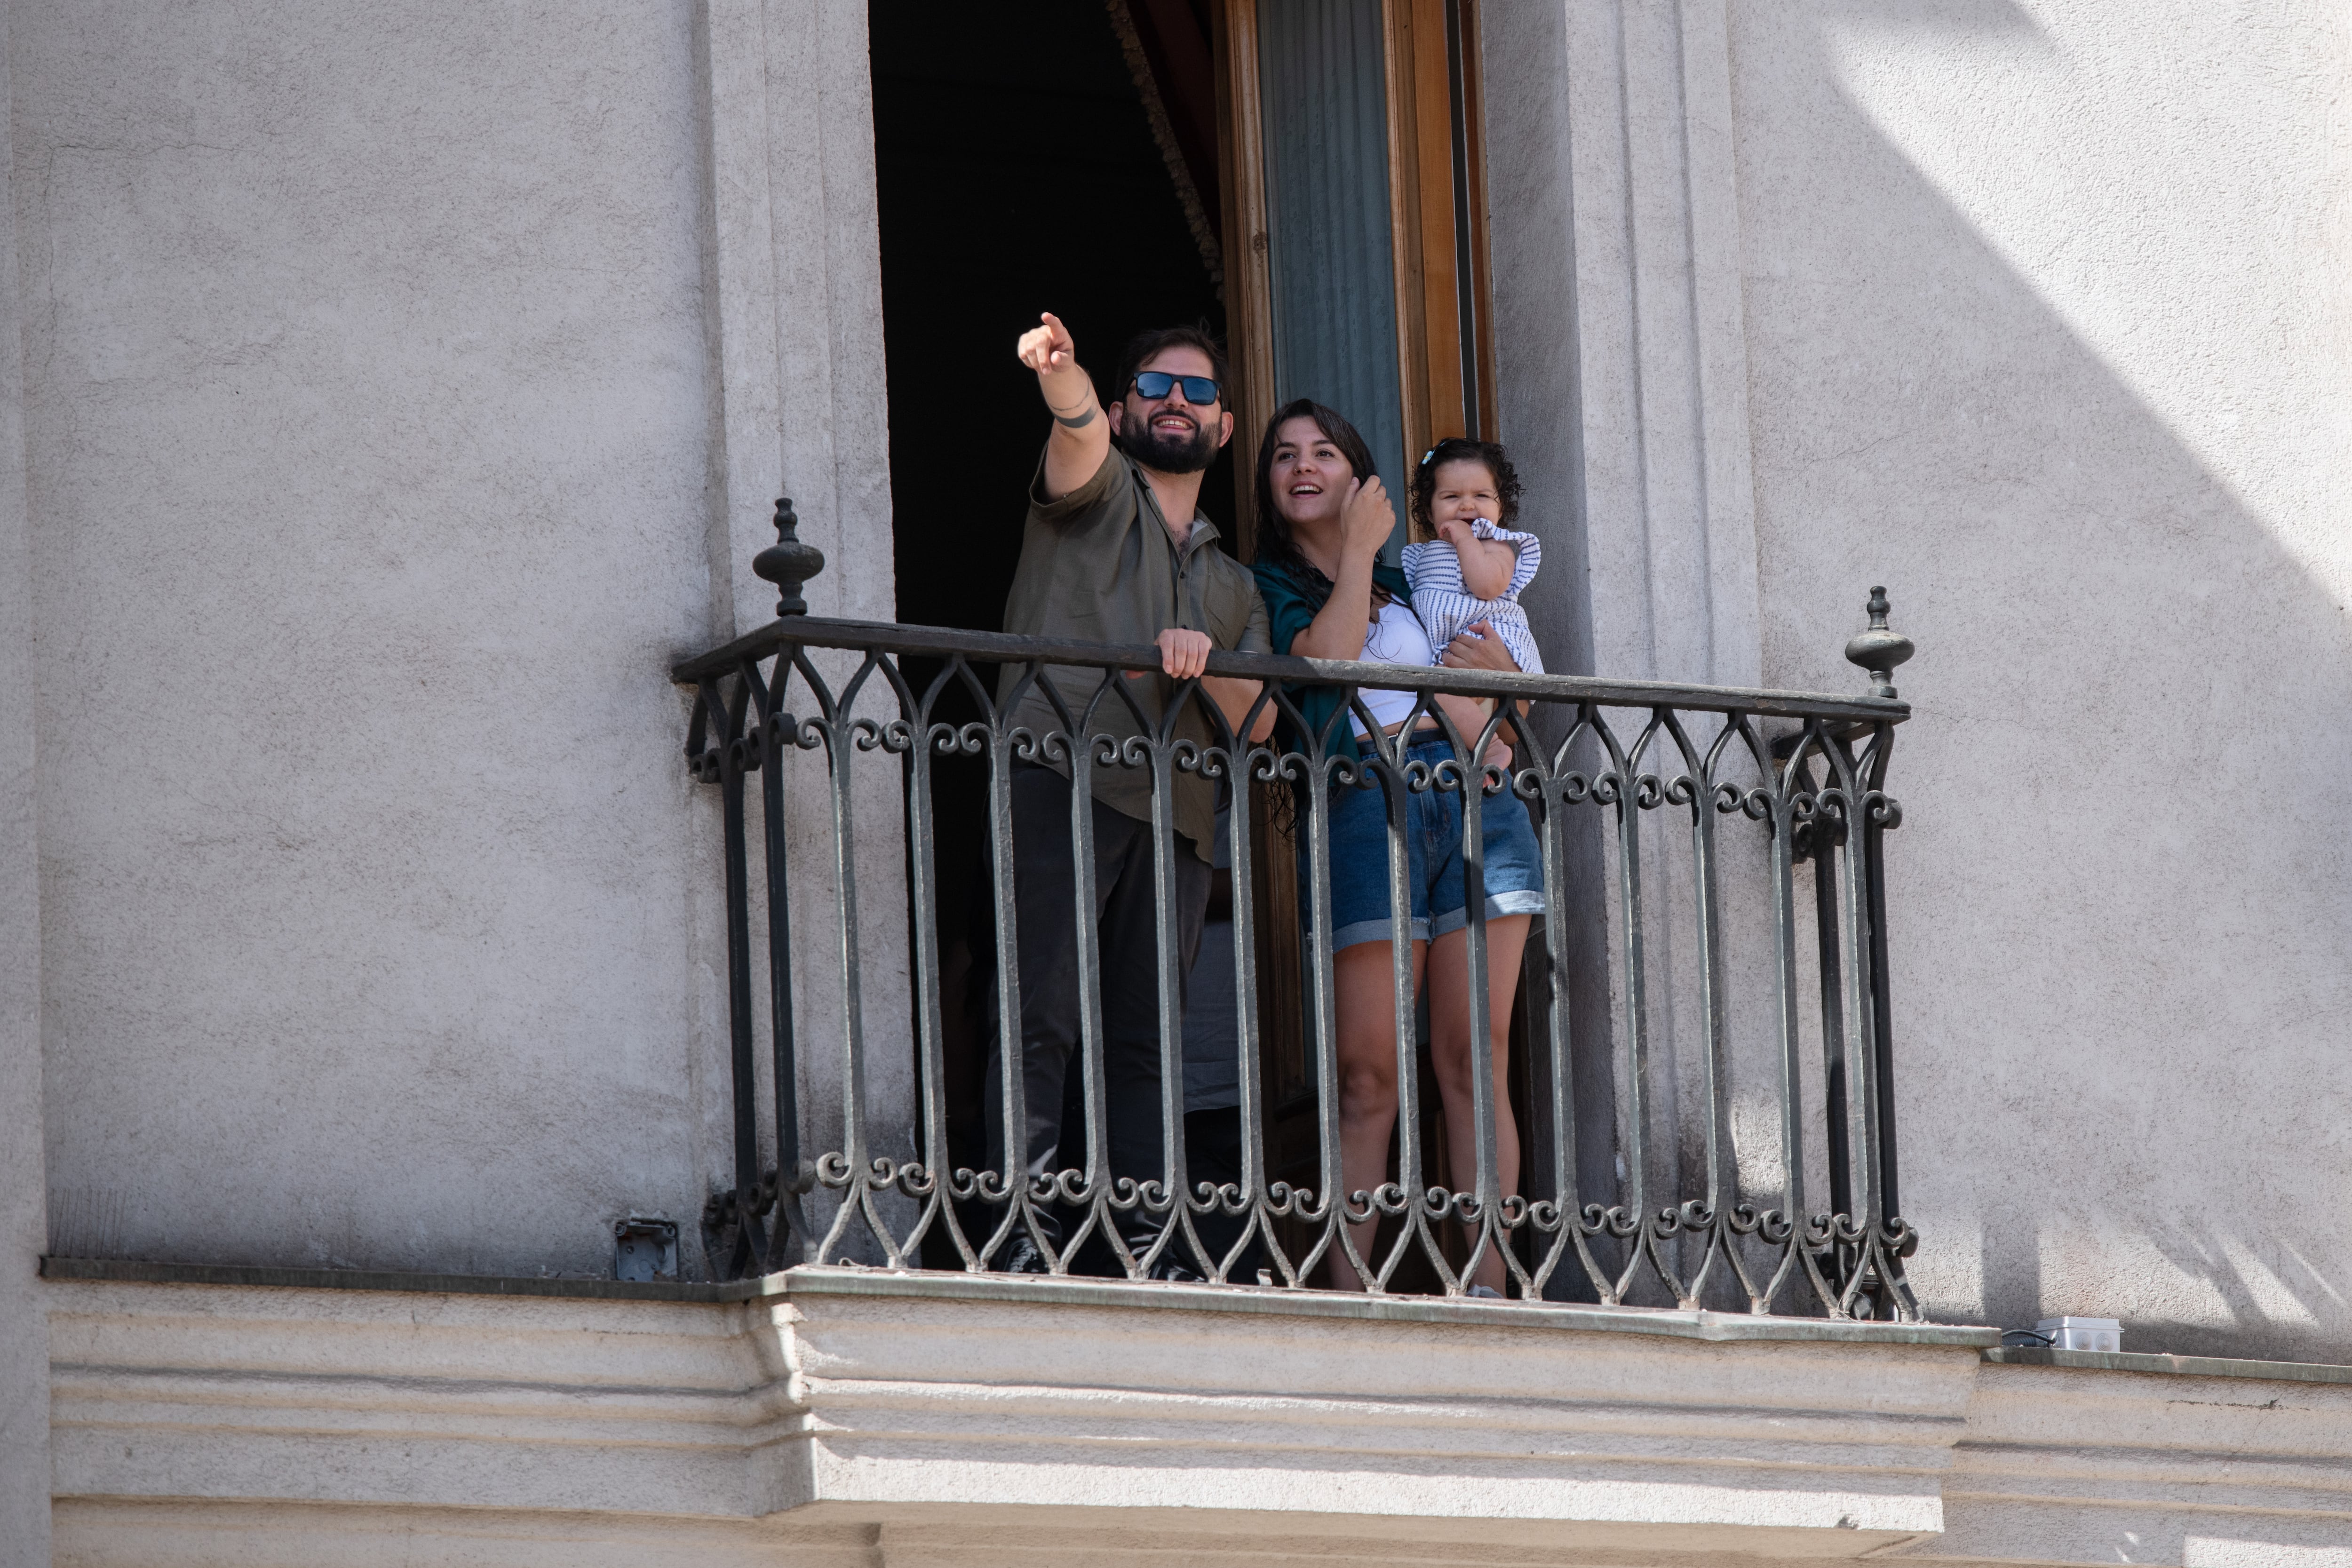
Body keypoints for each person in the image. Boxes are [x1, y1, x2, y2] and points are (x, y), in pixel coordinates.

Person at [988, 311, 1275, 1278]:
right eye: (1156, 388)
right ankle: (1020, 1232)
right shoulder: (1096, 491)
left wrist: (1203, 666)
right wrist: (1060, 378)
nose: (1178, 405)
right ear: (1126, 410)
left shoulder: (1235, 583)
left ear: (1224, 428)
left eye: (1199, 393)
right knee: (1042, 1013)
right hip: (1061, 773)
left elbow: (1262, 723)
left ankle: (1152, 1243)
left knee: (1148, 1035)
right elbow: (1072, 435)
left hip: (1181, 814)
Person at [1248, 400, 1542, 1297]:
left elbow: (1507, 678)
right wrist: (1352, 556)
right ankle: (1349, 1286)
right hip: (1366, 805)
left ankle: (1488, 1281)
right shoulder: (1267, 583)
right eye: (1285, 456)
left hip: (1478, 803)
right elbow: (1325, 666)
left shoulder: (1418, 579)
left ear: (1361, 475)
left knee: (1473, 1056)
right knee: (1369, 1070)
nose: (1304, 466)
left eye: (1325, 452)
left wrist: (1505, 693)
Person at [1401, 438, 1543, 677]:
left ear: (1501, 507)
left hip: (1489, 640)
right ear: (1429, 511)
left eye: (1482, 496)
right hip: (1448, 649)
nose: (1467, 505)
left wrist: (1466, 539)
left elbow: (1486, 588)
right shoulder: (1422, 555)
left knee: (1446, 698)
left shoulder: (1496, 547)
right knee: (1440, 699)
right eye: (1451, 497)